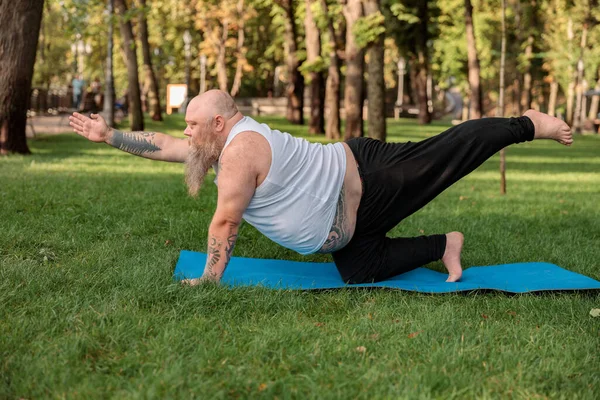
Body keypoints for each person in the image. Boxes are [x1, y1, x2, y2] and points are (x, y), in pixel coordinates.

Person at [68, 90, 573, 285]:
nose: (186, 133)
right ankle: (445, 245)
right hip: (351, 224)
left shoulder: (240, 153)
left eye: (194, 124)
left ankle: (529, 123)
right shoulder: (215, 145)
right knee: (360, 271)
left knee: (449, 153)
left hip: (367, 180)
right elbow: (161, 144)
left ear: (220, 124)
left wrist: (210, 278)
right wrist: (106, 133)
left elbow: (225, 220)